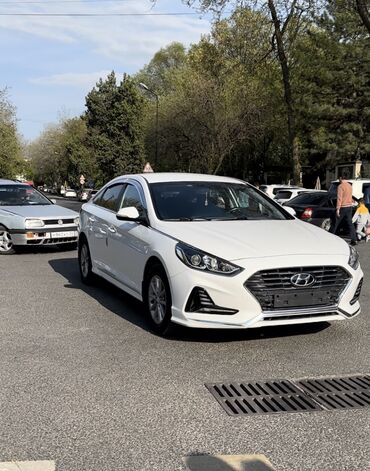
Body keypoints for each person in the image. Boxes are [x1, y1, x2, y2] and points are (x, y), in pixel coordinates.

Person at [330, 176, 357, 245]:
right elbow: (350, 196)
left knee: (335, 222)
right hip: (349, 207)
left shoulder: (340, 186)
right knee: (350, 223)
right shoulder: (350, 186)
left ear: (341, 179)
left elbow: (339, 198)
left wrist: (338, 209)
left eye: (339, 179)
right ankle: (354, 239)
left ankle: (329, 237)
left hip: (342, 207)